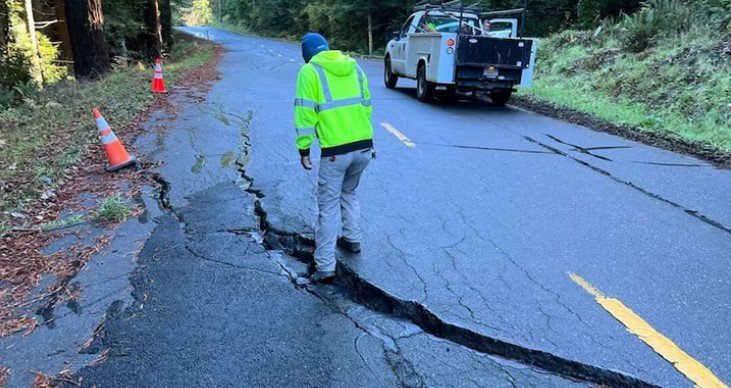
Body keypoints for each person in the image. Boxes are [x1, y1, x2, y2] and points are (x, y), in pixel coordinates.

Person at [294, 33, 374, 283]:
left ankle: (325, 266)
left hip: (335, 154)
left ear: (307, 54)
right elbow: (367, 108)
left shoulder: (309, 72)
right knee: (349, 193)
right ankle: (352, 239)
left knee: (328, 207)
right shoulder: (355, 67)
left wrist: (304, 150)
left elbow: (305, 114)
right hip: (363, 148)